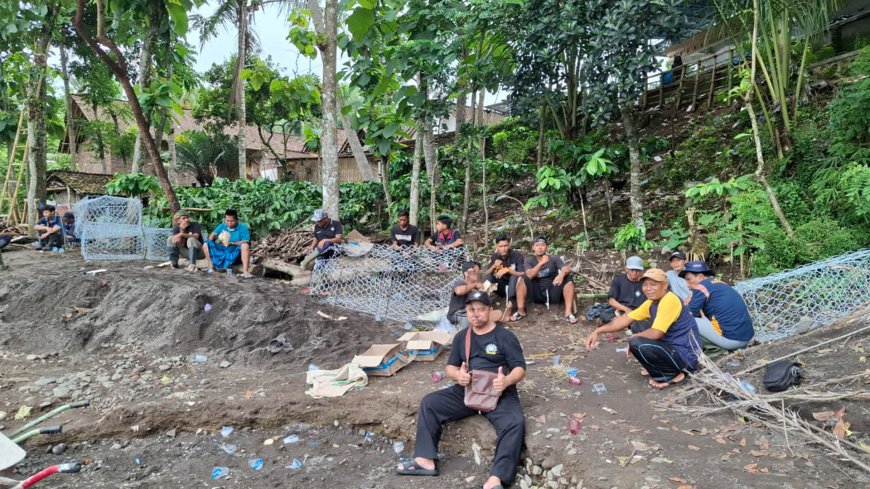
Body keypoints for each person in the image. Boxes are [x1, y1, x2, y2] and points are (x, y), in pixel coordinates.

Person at [397, 290, 526, 489]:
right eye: (471, 310)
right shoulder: (461, 337)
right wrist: (459, 376)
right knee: (430, 403)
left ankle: (497, 478)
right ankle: (426, 460)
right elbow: (450, 367)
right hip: (469, 389)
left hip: (499, 392)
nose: (475, 314)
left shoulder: (505, 336)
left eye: (481, 310)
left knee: (515, 422)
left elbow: (520, 368)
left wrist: (507, 381)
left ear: (490, 311)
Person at [586, 268, 701, 389]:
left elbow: (656, 333)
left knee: (637, 341)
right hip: (673, 349)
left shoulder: (669, 300)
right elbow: (625, 319)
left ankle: (673, 375)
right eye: (645, 284)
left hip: (687, 356)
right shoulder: (652, 302)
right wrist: (597, 331)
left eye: (653, 284)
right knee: (638, 329)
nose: (648, 288)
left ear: (665, 285)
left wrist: (635, 337)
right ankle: (663, 369)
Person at [681, 260, 755, 350]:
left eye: (689, 279)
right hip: (747, 338)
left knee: (684, 320)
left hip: (731, 341)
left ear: (700, 277)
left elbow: (690, 313)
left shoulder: (702, 287)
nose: (687, 284)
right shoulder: (720, 283)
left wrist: (686, 304)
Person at [523, 236, 578, 323]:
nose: (540, 248)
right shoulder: (529, 261)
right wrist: (541, 263)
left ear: (546, 246)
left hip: (553, 292)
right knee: (523, 277)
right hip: (537, 294)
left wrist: (561, 275)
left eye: (542, 245)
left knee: (568, 277)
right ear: (533, 248)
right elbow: (529, 275)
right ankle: (520, 310)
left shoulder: (554, 259)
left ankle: (568, 312)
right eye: (537, 245)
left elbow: (566, 269)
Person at [484, 235, 528, 321]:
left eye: (505, 246)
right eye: (501, 246)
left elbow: (522, 273)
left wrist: (508, 270)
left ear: (509, 245)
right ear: (497, 247)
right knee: (489, 277)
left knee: (514, 276)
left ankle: (510, 306)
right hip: (501, 289)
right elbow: (486, 274)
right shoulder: (494, 256)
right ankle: (484, 303)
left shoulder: (517, 256)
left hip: (516, 289)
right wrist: (493, 266)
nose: (503, 248)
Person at [203, 209, 253, 278]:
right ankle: (211, 267)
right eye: (227, 221)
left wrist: (231, 242)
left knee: (245, 246)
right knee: (206, 244)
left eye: (232, 221)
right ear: (225, 219)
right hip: (223, 250)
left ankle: (245, 272)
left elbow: (246, 241)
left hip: (235, 252)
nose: (229, 223)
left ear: (237, 219)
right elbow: (211, 238)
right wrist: (219, 238)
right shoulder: (222, 226)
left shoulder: (243, 227)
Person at [600, 256, 646, 328]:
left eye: (637, 270)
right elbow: (611, 300)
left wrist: (635, 312)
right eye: (632, 270)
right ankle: (625, 323)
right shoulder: (618, 280)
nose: (635, 273)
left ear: (641, 271)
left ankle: (622, 324)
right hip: (621, 308)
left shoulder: (644, 283)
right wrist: (625, 309)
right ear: (626, 269)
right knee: (605, 314)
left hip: (637, 311)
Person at [446, 261, 485, 329]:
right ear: (466, 273)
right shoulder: (460, 283)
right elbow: (459, 291)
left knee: (497, 313)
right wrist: (475, 285)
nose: (477, 273)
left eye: (478, 271)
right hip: (457, 315)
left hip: (470, 314)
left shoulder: (476, 288)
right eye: (474, 271)